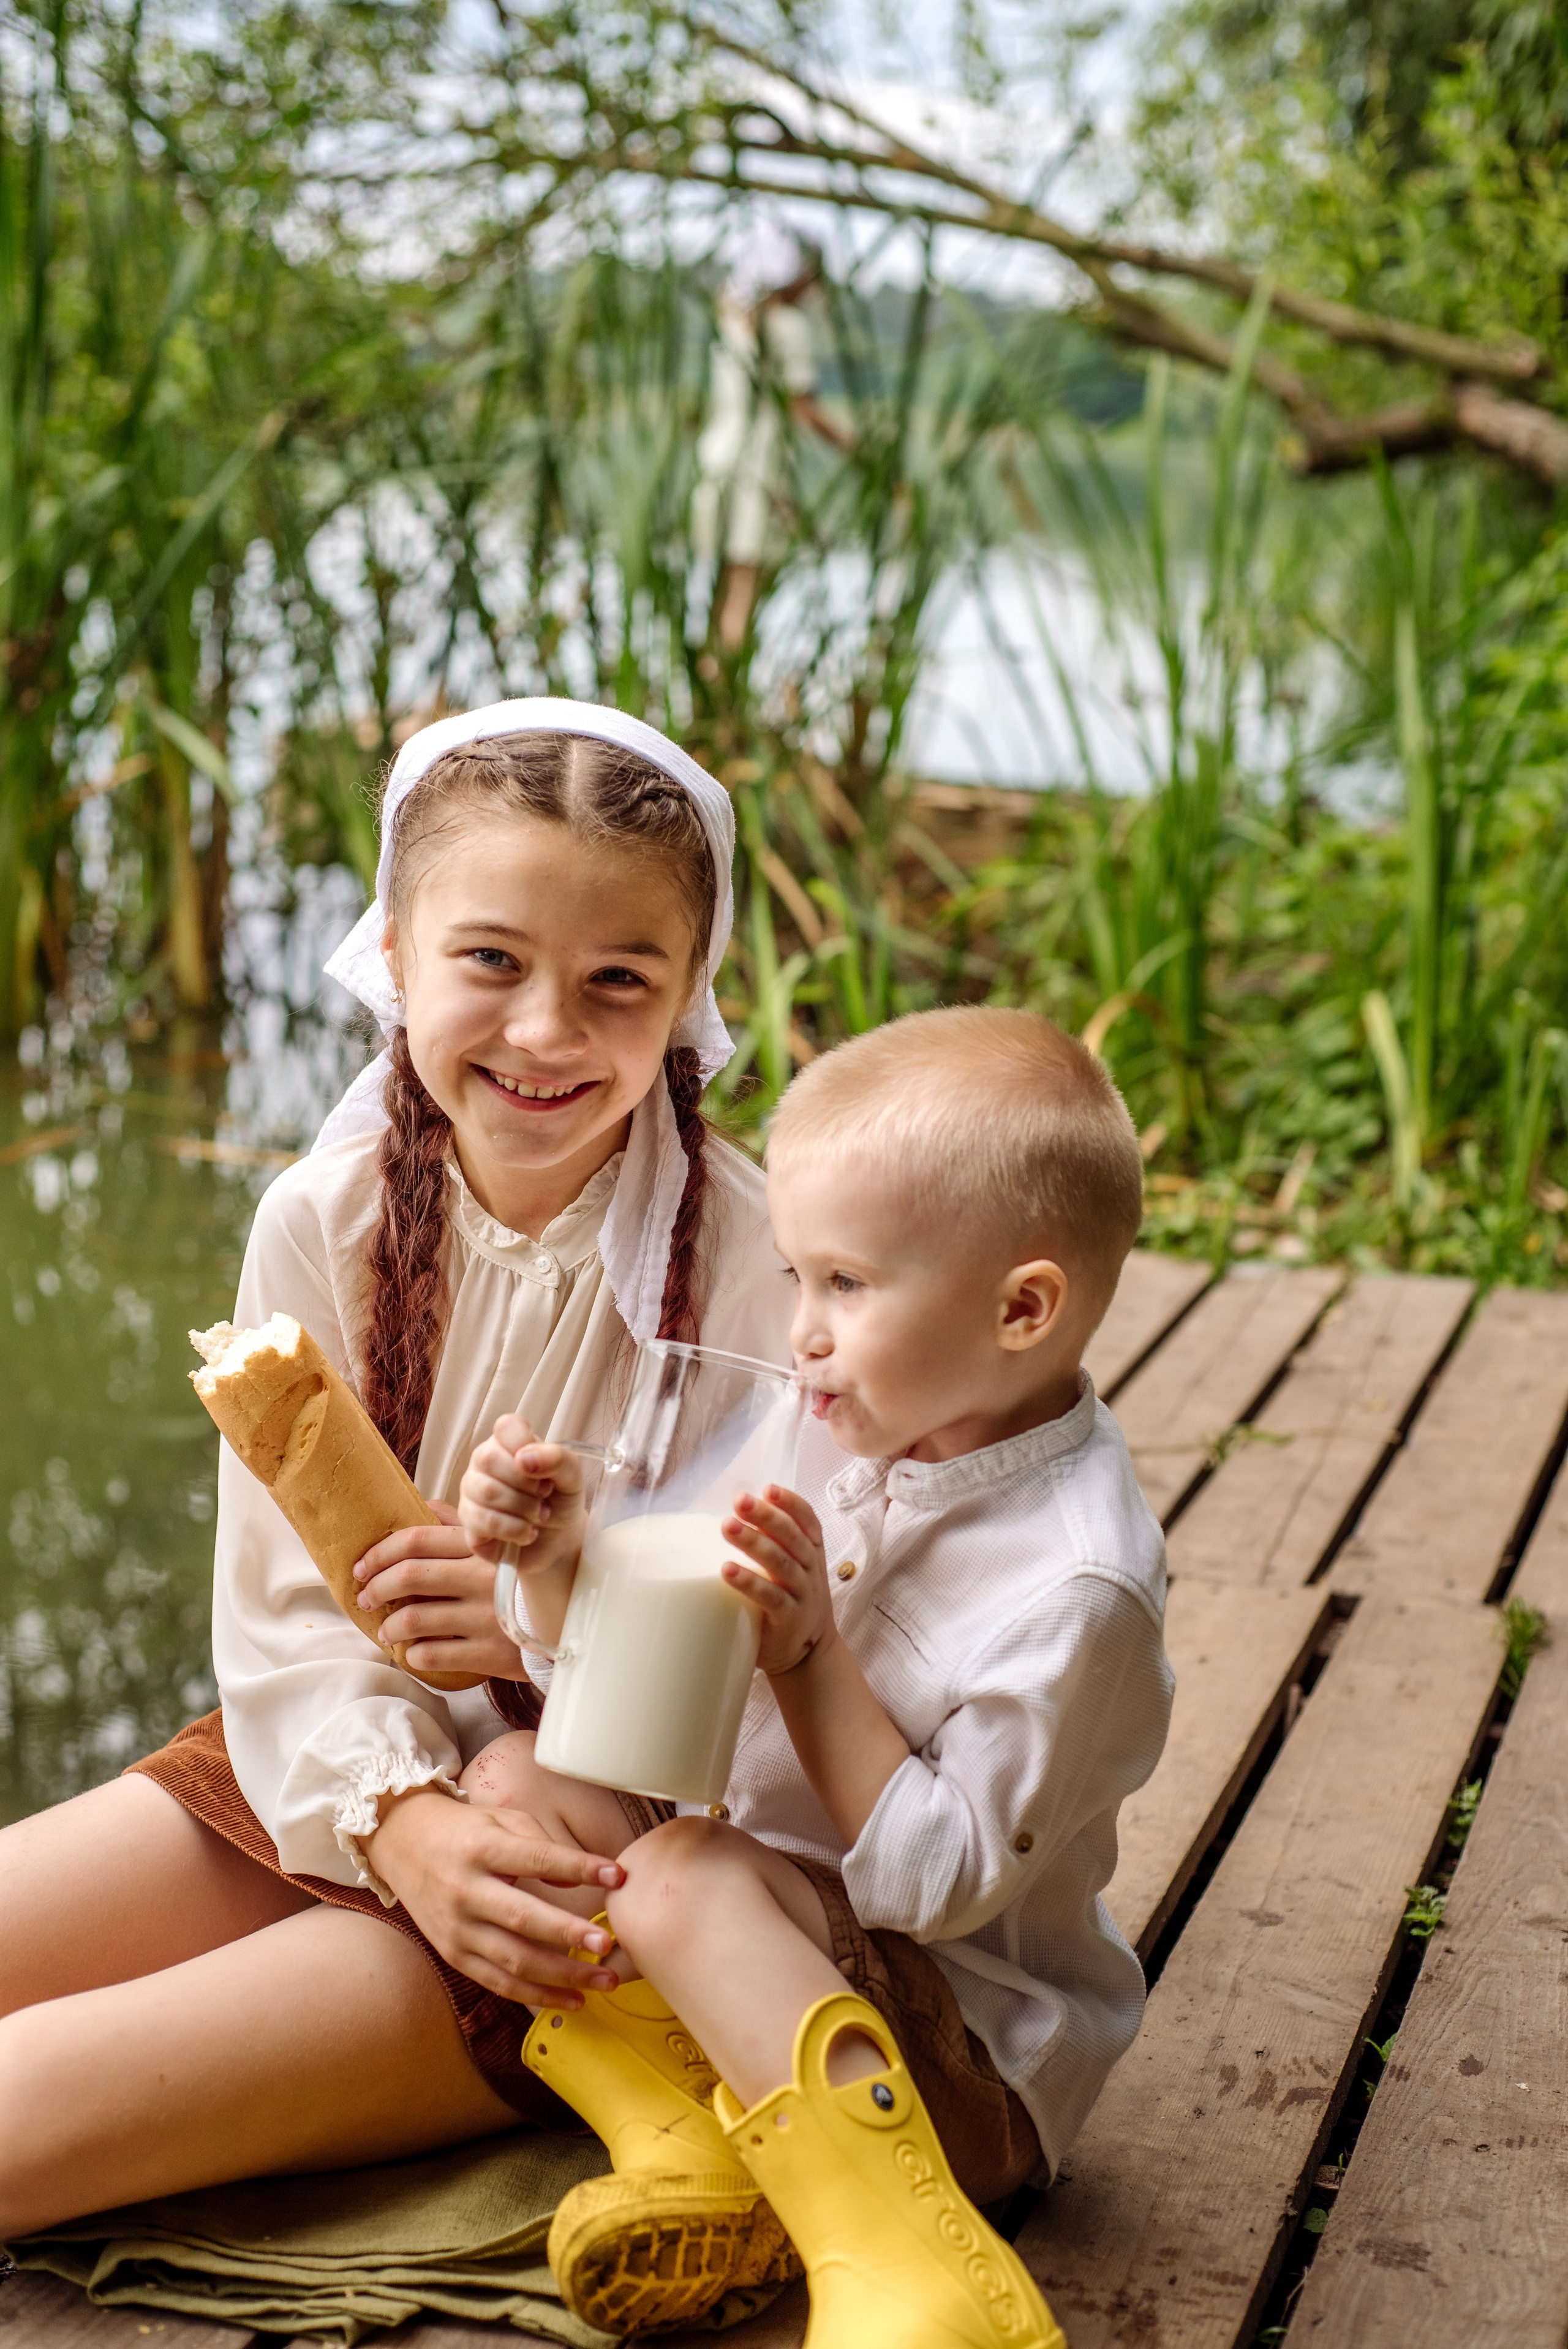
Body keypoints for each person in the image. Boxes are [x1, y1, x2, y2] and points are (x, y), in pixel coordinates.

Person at [0, 699, 795, 2238]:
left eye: (615, 978)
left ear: (688, 993)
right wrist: (394, 1818)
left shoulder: (763, 1266)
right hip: (332, 1762)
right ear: (399, 952)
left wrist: (531, 1627)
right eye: (491, 960)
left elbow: (804, 1689)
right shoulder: (324, 1215)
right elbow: (285, 1613)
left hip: (584, 1851)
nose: (546, 1030)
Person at [457, 1006, 1175, 2346]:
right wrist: (558, 1559)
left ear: (1021, 1307)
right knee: (512, 1783)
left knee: (676, 1873)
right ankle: (699, 2139)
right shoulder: (826, 1418)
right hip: (748, 1942)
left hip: (951, 2057)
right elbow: (626, 1701)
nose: (800, 1332)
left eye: (844, 1285)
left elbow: (935, 1883)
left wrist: (804, 1659)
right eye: (795, 1279)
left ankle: (911, 2260)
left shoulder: (1077, 1585)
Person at [692, 221, 853, 652]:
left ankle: (711, 682)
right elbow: (804, 410)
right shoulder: (787, 328)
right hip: (758, 472)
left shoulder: (730, 321)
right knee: (744, 590)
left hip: (716, 461)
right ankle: (725, 692)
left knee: (723, 587)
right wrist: (859, 449)